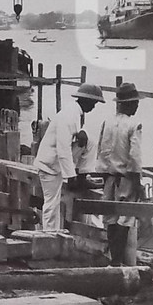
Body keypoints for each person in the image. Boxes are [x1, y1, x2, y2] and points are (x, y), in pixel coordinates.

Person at [34, 81, 104, 233]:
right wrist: (70, 176)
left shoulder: (75, 112)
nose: (94, 107)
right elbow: (63, 149)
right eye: (93, 103)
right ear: (86, 101)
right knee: (51, 205)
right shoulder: (69, 115)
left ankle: (83, 175)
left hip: (56, 165)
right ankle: (49, 237)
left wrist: (83, 131)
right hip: (49, 166)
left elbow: (74, 138)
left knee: (90, 140)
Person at [95, 80, 143, 265]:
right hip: (126, 177)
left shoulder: (107, 122)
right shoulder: (134, 125)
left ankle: (113, 259)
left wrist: (104, 174)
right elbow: (135, 157)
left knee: (111, 217)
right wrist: (137, 183)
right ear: (128, 104)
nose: (137, 106)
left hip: (109, 176)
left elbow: (102, 150)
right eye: (135, 102)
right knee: (126, 218)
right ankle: (117, 260)